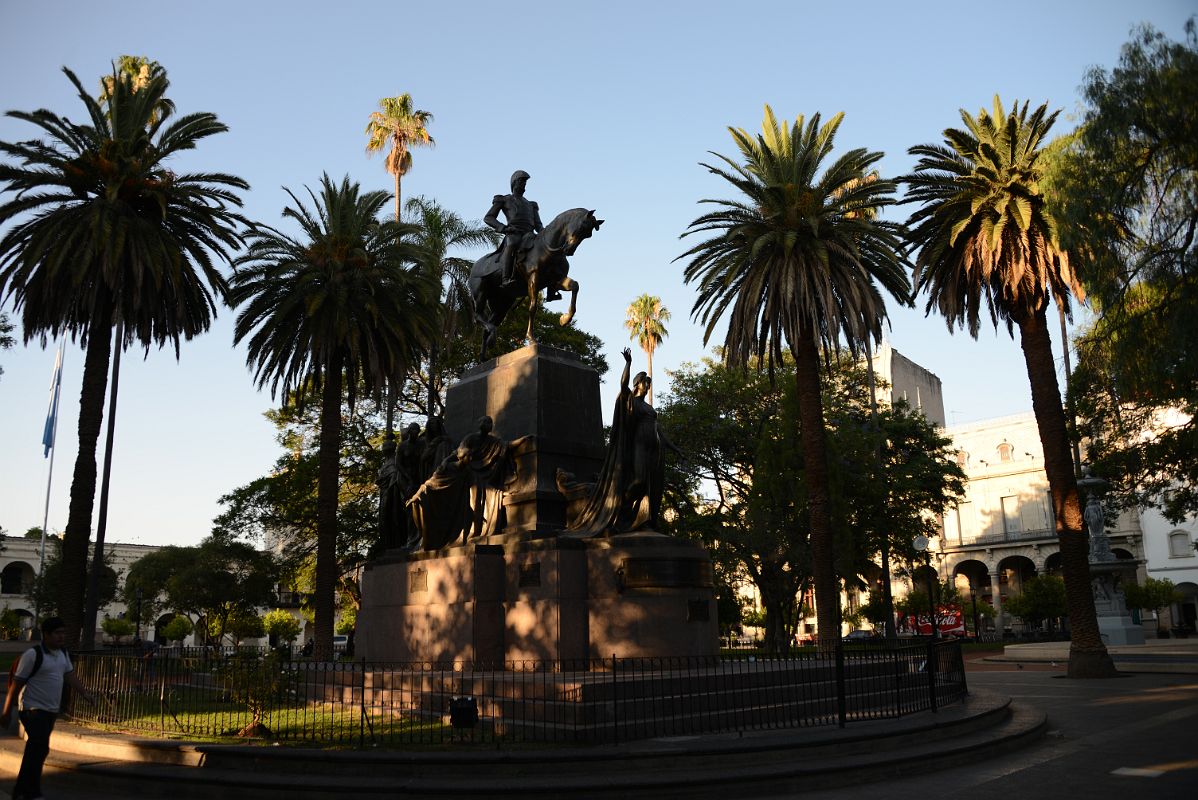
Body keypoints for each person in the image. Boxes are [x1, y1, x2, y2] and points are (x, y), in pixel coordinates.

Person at [567, 348, 682, 535]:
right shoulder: (630, 401)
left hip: (655, 450)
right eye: (646, 382)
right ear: (638, 384)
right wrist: (628, 364)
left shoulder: (648, 407)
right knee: (639, 481)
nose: (648, 385)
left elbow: (658, 430)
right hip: (639, 446)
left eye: (649, 383)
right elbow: (622, 385)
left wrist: (675, 448)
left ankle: (646, 520)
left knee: (652, 487)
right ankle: (620, 511)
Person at [1, 617, 96, 800]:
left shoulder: (63, 654)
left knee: (36, 751)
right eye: (57, 633)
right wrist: (6, 712)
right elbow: (16, 685)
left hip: (51, 711)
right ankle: (32, 792)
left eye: (63, 633)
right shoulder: (33, 655)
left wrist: (86, 694)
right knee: (39, 748)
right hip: (33, 709)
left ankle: (20, 790)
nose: (61, 637)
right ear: (46, 634)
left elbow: (70, 676)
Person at [484, 170, 544, 291]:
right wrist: (504, 228)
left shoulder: (531, 204)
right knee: (512, 243)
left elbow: (538, 224)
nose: (524, 184)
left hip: (529, 235)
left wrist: (544, 233)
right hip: (513, 232)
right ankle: (506, 278)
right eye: (522, 181)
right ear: (515, 182)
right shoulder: (504, 200)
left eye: (525, 182)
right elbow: (488, 218)